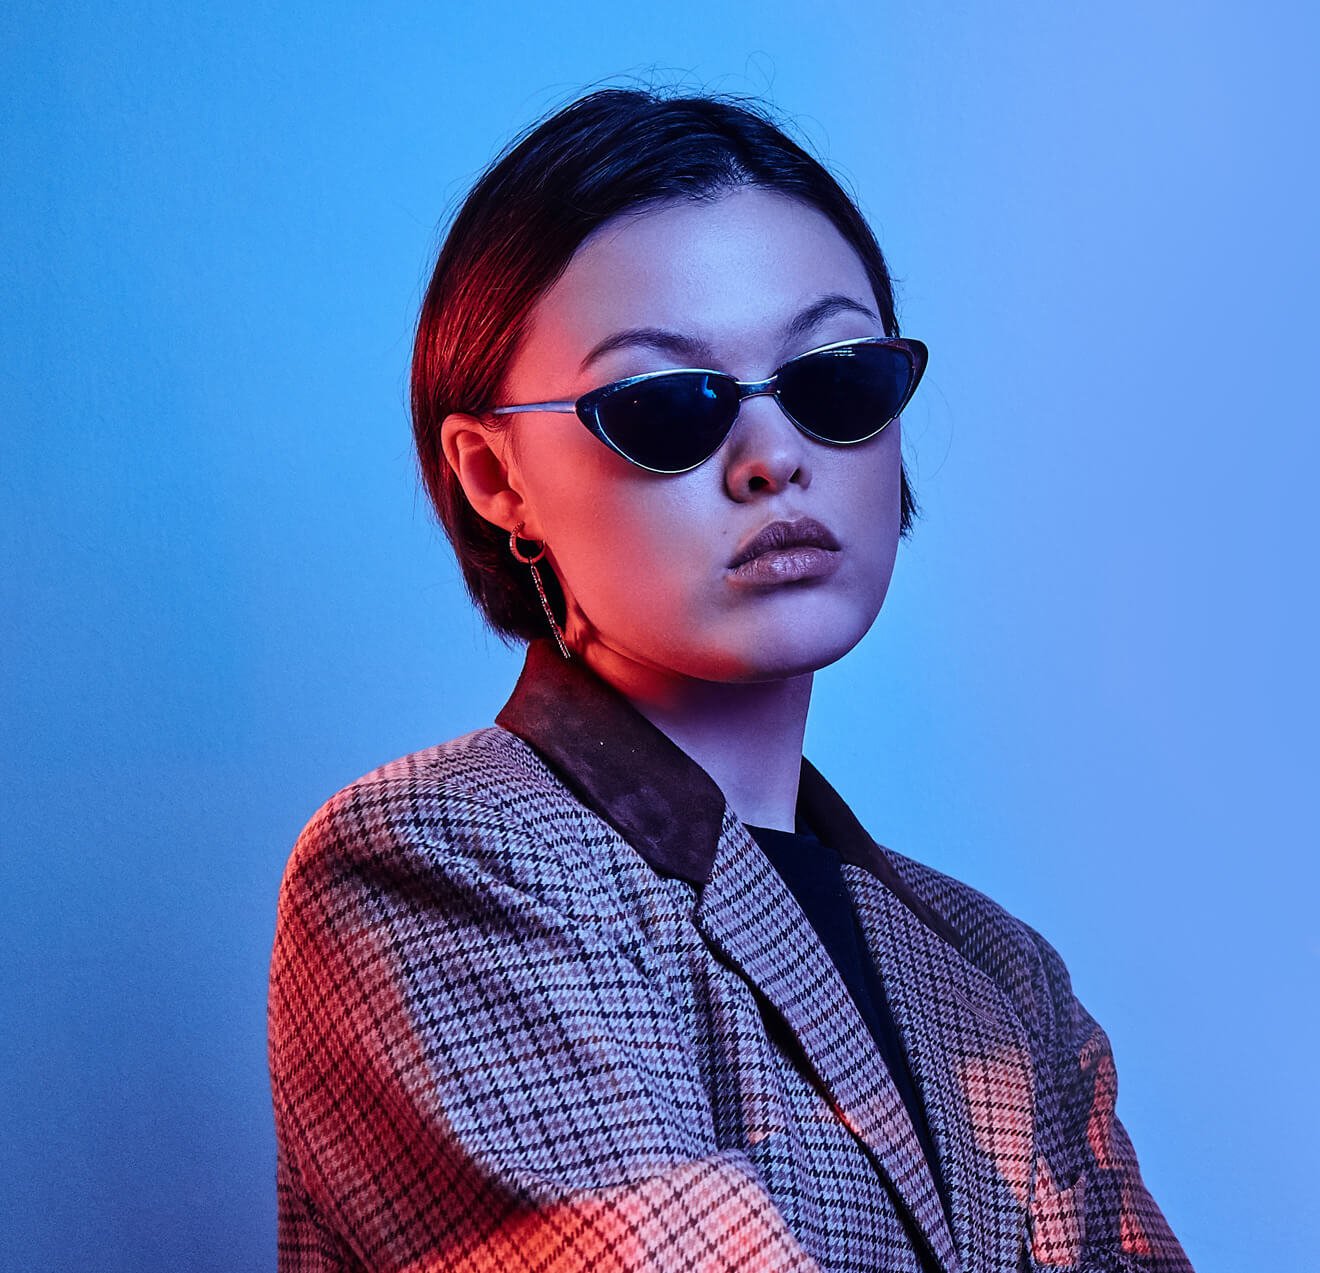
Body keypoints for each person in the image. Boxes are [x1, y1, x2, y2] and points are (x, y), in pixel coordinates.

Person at [267, 87, 1193, 1272]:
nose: (774, 459)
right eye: (668, 405)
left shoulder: (1002, 972)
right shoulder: (431, 861)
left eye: (836, 379)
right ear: (496, 478)